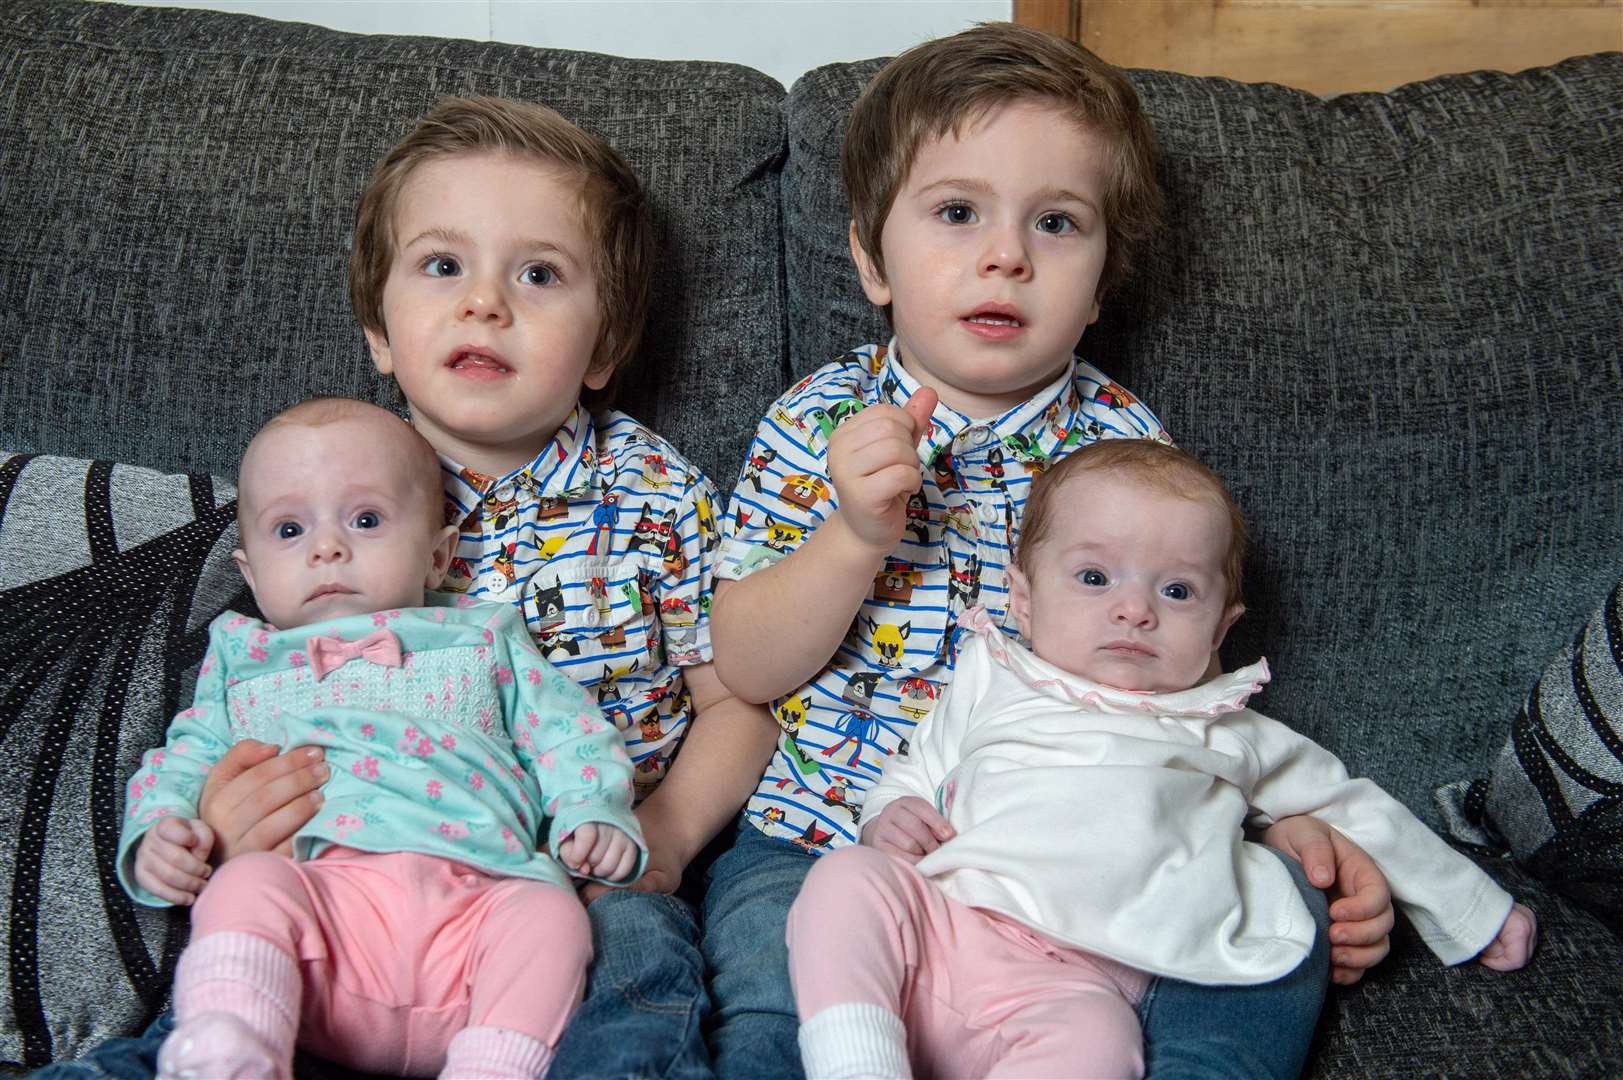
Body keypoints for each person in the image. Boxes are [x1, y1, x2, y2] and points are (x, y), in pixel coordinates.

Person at [705, 23, 1396, 1079]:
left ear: (1104, 276)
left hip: (1069, 849)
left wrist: (1278, 820)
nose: (1006, 255)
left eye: (1057, 223)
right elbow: (747, 669)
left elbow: (1171, 678)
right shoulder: (816, 419)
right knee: (773, 991)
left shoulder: (1124, 449)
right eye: (956, 212)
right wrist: (852, 537)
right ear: (869, 257)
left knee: (1274, 928)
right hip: (826, 833)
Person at [54, 95, 775, 1080]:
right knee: (214, 984)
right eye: (443, 266)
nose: (485, 302)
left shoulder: (653, 492)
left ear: (606, 349)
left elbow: (736, 697)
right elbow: (233, 701)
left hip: (581, 875)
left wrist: (667, 834)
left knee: (642, 984)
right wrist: (218, 820)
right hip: (349, 871)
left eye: (539, 273)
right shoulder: (315, 483)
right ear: (381, 332)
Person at [785, 439, 1538, 1079]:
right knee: (847, 880)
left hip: (1068, 986)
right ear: (1022, 597)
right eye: (1093, 577)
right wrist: (890, 814)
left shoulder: (1224, 729)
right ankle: (858, 1060)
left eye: (1176, 590)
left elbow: (1354, 809)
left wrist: (1469, 909)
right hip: (944, 925)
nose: (1133, 609)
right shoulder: (992, 677)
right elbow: (918, 767)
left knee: (1099, 1047)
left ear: (1219, 631)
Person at [119, 398, 643, 1079]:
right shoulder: (243, 654)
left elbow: (567, 733)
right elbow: (182, 755)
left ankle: (495, 1062)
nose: (326, 547)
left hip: (476, 906)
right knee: (246, 885)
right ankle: (232, 1044)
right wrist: (162, 829)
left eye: (365, 519)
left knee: (550, 917)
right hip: (321, 928)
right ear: (249, 576)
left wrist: (591, 812)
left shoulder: (483, 635)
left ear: (437, 555)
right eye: (288, 529)